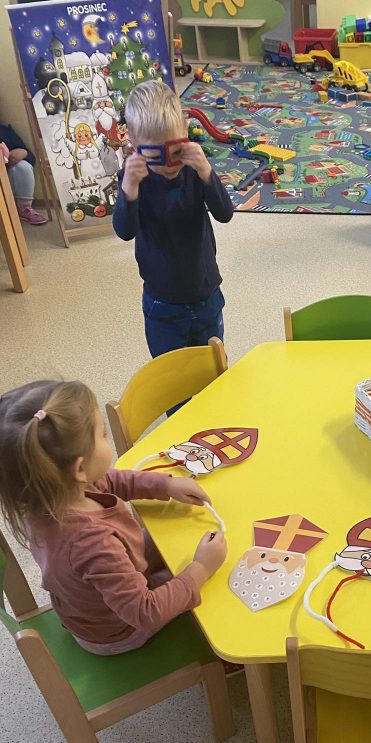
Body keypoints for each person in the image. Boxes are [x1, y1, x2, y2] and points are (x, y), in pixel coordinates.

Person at [0, 379, 227, 656]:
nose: (106, 438)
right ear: (80, 469)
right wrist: (201, 568)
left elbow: (111, 480)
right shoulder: (92, 543)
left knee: (177, 538)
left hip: (95, 604)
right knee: (212, 579)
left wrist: (166, 485)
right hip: (118, 632)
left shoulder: (49, 492)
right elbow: (146, 613)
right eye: (103, 434)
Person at [112, 80, 234, 359]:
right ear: (133, 144)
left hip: (205, 291)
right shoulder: (134, 177)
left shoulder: (193, 169)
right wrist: (129, 190)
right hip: (161, 300)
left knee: (212, 365)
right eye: (156, 156)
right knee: (170, 371)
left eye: (176, 151)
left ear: (186, 131)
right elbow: (125, 231)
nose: (169, 165)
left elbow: (224, 213)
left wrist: (206, 172)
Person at [0, 122, 47, 225]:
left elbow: (31, 157)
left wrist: (22, 153)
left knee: (23, 166)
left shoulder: (4, 131)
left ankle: (24, 208)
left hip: (7, 178)